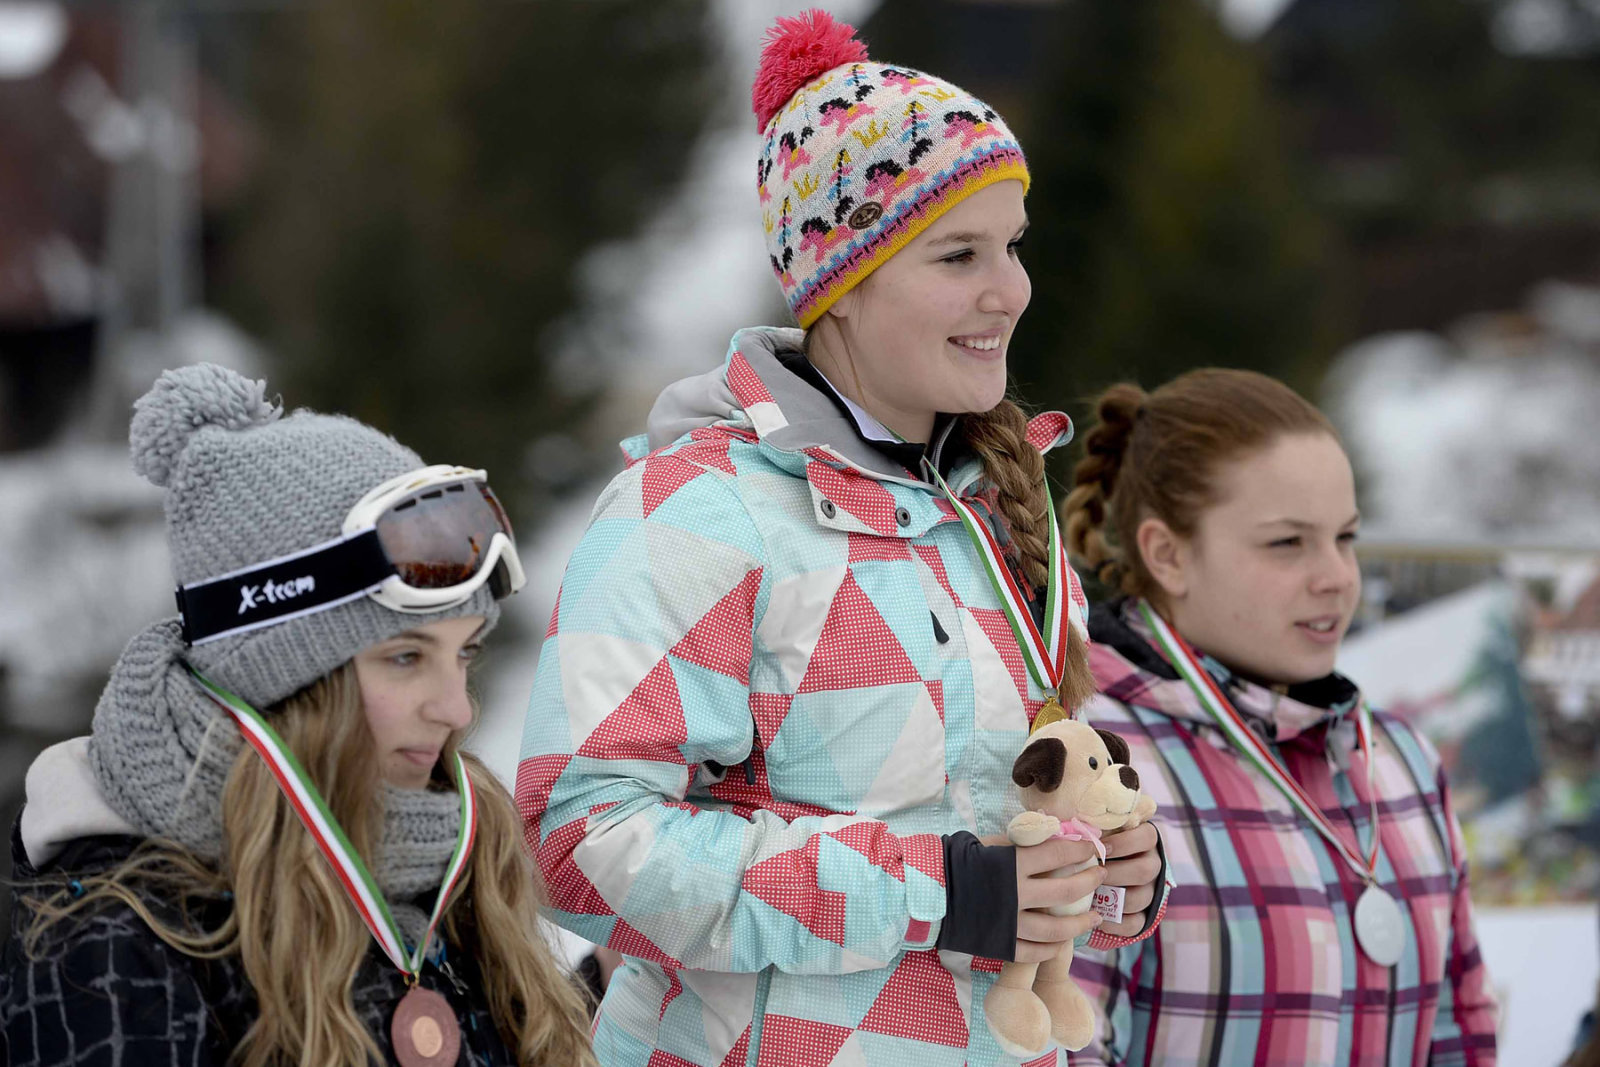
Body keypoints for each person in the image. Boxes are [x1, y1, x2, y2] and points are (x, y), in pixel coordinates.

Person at [517, 11, 1168, 1066]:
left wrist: (1108, 866)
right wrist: (940, 891)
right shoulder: (696, 509)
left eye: (1012, 246)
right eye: (959, 254)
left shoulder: (997, 504)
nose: (1010, 290)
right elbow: (578, 843)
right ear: (841, 284)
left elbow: (1015, 805)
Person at [0, 364, 597, 1066]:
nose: (456, 708)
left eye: (463, 654)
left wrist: (612, 989)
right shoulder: (116, 954)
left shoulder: (446, 876)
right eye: (406, 657)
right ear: (288, 680)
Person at [1058, 369, 1500, 1066]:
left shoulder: (1401, 761)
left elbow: (1459, 1028)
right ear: (1168, 553)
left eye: (1346, 537)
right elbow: (1060, 1040)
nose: (1336, 575)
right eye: (1288, 543)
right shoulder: (1091, 763)